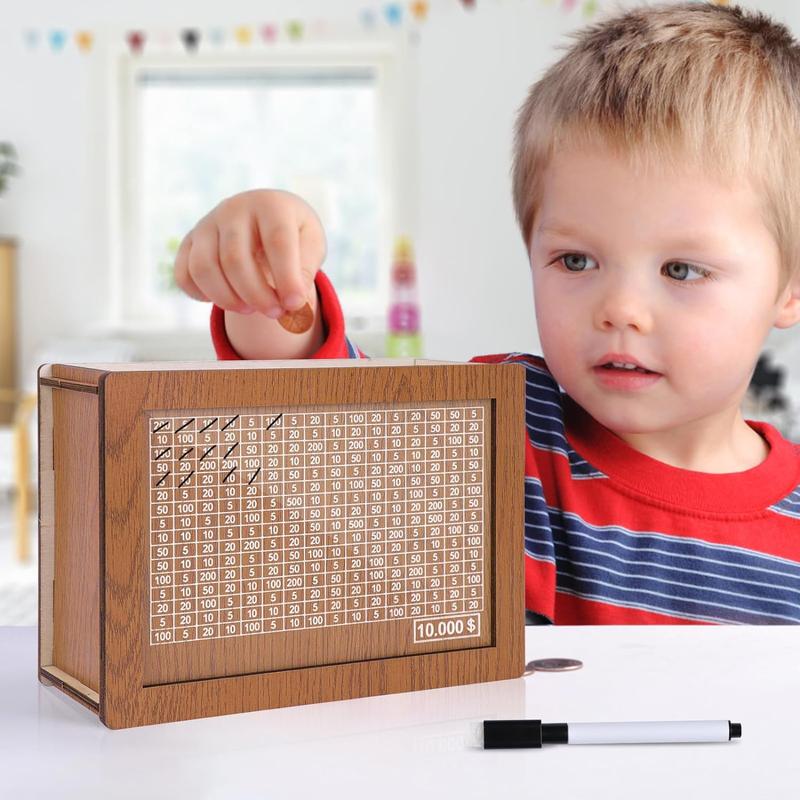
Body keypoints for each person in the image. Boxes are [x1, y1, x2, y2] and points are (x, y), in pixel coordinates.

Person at [174, 1, 800, 624]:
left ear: (789, 288)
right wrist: (267, 285)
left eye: (682, 271)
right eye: (577, 261)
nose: (621, 311)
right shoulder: (507, 427)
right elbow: (331, 424)